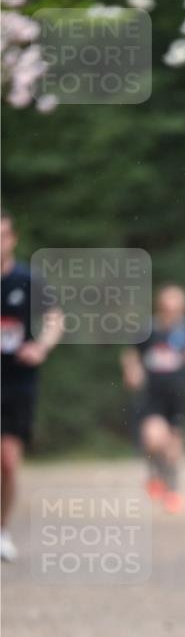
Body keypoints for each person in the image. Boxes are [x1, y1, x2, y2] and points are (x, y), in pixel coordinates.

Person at [1, 211, 63, 562]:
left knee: (7, 463)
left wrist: (41, 346)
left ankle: (2, 528)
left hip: (16, 384)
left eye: (2, 236)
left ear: (13, 239)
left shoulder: (27, 280)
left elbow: (55, 319)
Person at [121, 284, 185, 513]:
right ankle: (154, 474)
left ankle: (172, 490)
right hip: (152, 395)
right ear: (160, 306)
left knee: (174, 446)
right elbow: (131, 354)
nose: (173, 310)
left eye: (177, 307)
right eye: (169, 306)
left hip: (178, 396)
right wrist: (132, 371)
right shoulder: (148, 329)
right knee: (153, 439)